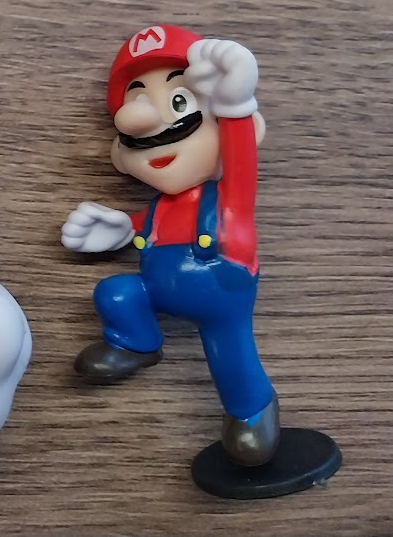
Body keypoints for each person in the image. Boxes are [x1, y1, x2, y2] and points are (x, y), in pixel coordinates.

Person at [61, 24, 279, 466]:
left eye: (179, 102)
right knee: (117, 293)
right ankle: (136, 342)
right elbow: (147, 226)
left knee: (231, 357)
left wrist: (235, 100)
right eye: (137, 104)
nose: (145, 122)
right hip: (156, 289)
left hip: (223, 293)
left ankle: (252, 413)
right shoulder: (159, 206)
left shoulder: (231, 196)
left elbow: (239, 154)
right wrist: (122, 228)